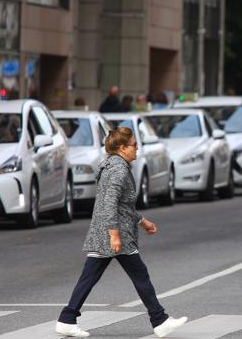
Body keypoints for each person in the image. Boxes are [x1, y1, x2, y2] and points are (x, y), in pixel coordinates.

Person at [55, 127, 187, 338]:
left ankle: (67, 318)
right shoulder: (119, 170)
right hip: (116, 234)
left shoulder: (111, 165)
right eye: (134, 145)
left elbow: (122, 205)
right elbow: (109, 203)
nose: (137, 148)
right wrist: (114, 234)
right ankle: (160, 320)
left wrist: (142, 221)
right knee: (140, 275)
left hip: (105, 231)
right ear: (122, 148)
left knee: (89, 277)